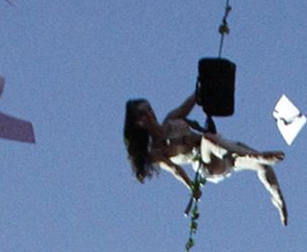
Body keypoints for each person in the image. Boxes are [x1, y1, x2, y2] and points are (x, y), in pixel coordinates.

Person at [123, 90, 288, 222]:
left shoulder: (171, 120)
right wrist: (191, 187)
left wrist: (204, 85)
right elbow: (174, 169)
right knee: (208, 141)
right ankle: (256, 156)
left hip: (222, 148)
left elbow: (193, 99)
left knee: (262, 167)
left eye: (150, 109)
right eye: (144, 114)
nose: (150, 114)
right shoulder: (156, 151)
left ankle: (278, 201)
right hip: (207, 164)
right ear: (139, 123)